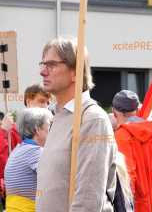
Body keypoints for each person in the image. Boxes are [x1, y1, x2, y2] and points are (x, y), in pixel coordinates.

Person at [36, 37, 117, 211]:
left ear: (75, 71)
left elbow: (89, 197)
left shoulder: (92, 120)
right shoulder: (56, 116)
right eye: (43, 64)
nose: (43, 71)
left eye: (51, 64)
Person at [112, 89, 152, 211]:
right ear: (137, 110)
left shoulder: (122, 135)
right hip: (151, 203)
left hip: (135, 205)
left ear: (114, 112)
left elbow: (127, 177)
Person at [4, 108, 53, 211]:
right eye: (49, 127)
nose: (52, 132)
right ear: (37, 129)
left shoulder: (17, 150)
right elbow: (55, 181)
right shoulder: (36, 152)